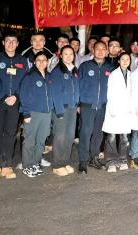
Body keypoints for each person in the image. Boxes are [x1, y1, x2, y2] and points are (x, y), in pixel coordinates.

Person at [0, 31, 29, 182]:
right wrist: (4, 97)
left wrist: (15, 96)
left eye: (13, 41)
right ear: (3, 43)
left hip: (15, 101)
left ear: (17, 44)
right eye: (8, 41)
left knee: (11, 133)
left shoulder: (22, 61)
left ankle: (7, 164)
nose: (11, 43)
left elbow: (25, 81)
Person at [19, 51, 64, 178]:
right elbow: (24, 95)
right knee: (29, 140)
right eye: (38, 60)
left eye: (44, 60)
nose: (41, 62)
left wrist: (58, 110)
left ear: (47, 62)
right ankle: (27, 165)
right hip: (33, 113)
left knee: (41, 140)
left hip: (46, 114)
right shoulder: (29, 76)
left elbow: (54, 94)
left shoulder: (49, 77)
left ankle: (35, 162)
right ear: (34, 62)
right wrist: (26, 113)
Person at [77, 41, 113, 174]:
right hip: (87, 105)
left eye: (103, 49)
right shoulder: (85, 66)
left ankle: (94, 158)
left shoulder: (110, 68)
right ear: (93, 50)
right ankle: (83, 162)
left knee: (98, 134)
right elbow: (78, 85)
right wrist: (78, 103)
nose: (100, 51)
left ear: (107, 51)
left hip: (103, 106)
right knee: (85, 133)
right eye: (98, 49)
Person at [49, 45, 80, 176]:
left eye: (71, 54)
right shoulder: (57, 71)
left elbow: (77, 89)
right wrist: (59, 110)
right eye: (65, 54)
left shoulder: (74, 70)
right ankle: (57, 164)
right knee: (60, 136)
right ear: (60, 56)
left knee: (70, 136)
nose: (68, 56)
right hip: (61, 108)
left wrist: (77, 104)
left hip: (72, 108)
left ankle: (65, 161)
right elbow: (55, 93)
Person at [102, 52, 132, 173]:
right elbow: (109, 93)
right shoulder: (113, 74)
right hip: (114, 109)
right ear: (118, 61)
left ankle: (123, 159)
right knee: (112, 136)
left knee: (124, 137)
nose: (125, 61)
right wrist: (112, 109)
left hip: (126, 111)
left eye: (127, 59)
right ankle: (111, 161)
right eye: (122, 59)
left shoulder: (131, 75)